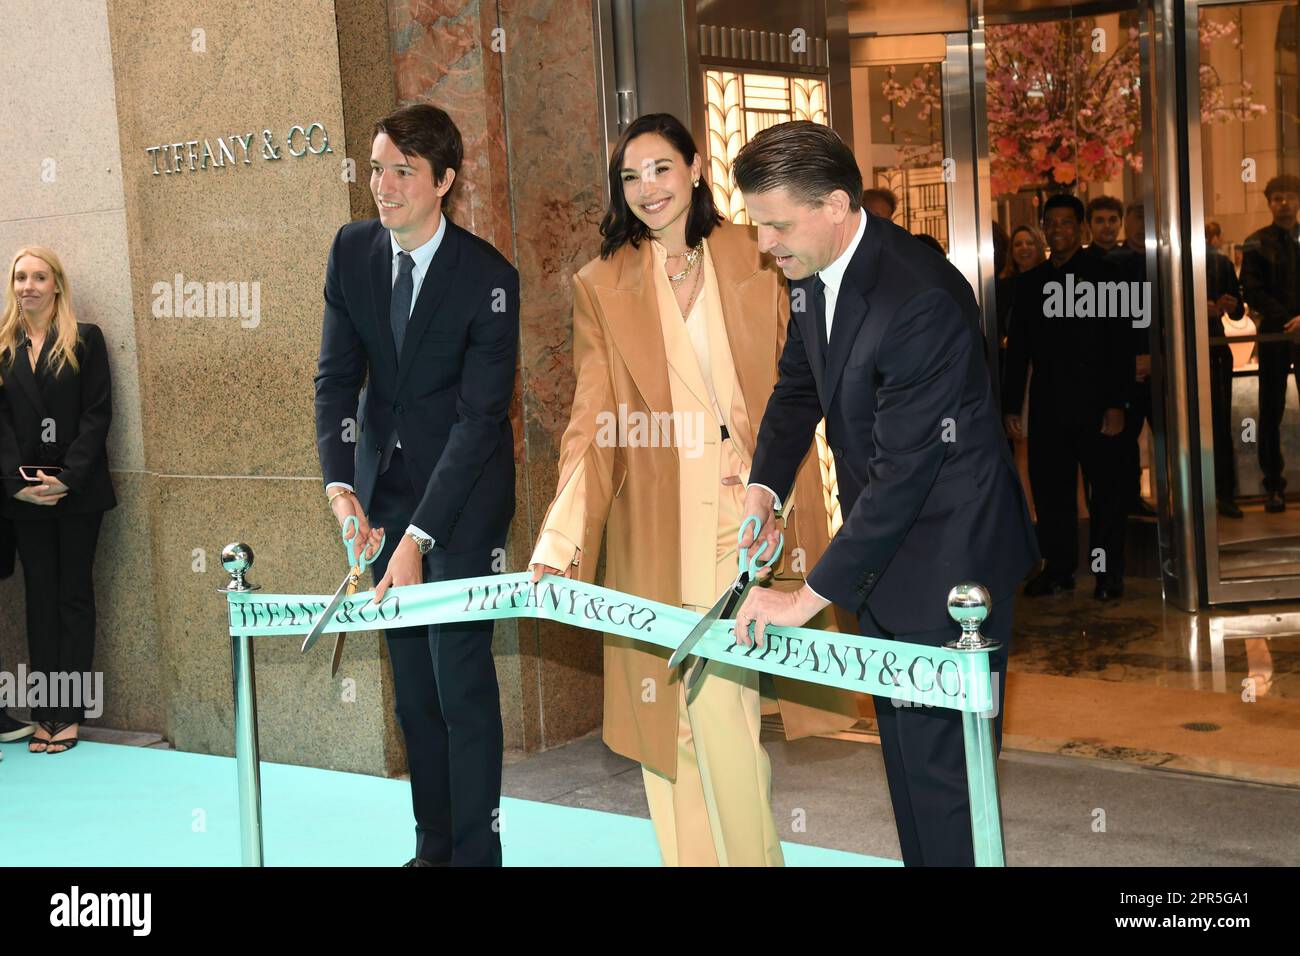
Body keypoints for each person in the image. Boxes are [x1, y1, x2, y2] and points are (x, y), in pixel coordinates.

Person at [529, 113, 856, 867]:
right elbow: (591, 423)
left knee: (720, 713)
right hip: (653, 530)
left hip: (743, 523)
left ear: (696, 168)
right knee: (665, 727)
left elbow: (808, 381)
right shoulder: (601, 285)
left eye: (662, 169)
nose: (648, 189)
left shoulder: (757, 252)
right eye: (631, 176)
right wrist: (560, 538)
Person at [729, 120, 1038, 867]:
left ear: (836, 204)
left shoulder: (918, 297)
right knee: (905, 760)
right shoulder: (813, 275)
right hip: (885, 557)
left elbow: (907, 472)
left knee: (947, 778)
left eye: (776, 224)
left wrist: (804, 599)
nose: (765, 243)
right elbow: (800, 387)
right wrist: (763, 489)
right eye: (758, 224)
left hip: (949, 563)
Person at [314, 104, 519, 866]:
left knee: (459, 684)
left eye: (403, 171)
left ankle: (476, 855)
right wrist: (344, 490)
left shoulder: (490, 278)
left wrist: (418, 538)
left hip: (461, 508)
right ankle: (433, 848)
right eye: (376, 167)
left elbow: (477, 421)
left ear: (444, 182)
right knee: (411, 694)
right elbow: (336, 383)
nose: (383, 185)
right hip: (385, 492)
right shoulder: (351, 251)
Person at [0, 246, 117, 754]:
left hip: (77, 495)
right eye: (20, 277)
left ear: (57, 285)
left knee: (73, 599)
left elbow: (98, 415)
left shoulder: (85, 340)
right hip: (22, 498)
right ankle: (43, 712)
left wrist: (66, 478)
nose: (28, 286)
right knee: (39, 603)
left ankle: (66, 715)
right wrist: (14, 482)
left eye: (38, 277)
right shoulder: (3, 347)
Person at [1003, 194, 1132, 601]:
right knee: (1051, 491)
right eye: (1051, 224)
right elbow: (1018, 351)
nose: (1058, 231)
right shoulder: (1030, 283)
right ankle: (1058, 569)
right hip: (1048, 402)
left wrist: (1117, 404)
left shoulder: (1108, 275)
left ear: (1081, 228)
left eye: (1066, 223)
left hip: (1098, 403)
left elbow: (1121, 346)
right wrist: (1010, 405)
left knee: (1106, 495)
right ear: (1045, 229)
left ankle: (1108, 574)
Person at [1240, 174, 1300, 512]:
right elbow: (1251, 289)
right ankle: (1272, 486)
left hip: (1292, 327)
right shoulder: (1256, 241)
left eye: (1290, 196)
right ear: (1269, 202)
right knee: (1270, 411)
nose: (1284, 202)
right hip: (1275, 333)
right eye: (1278, 197)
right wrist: (1289, 319)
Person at [1105, 203, 1157, 518]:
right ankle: (1129, 498)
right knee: (1126, 440)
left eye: (1148, 220)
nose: (1142, 226)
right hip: (1128, 366)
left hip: (1163, 364)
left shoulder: (1166, 261)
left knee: (1170, 436)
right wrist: (1130, 360)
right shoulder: (1112, 263)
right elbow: (1109, 323)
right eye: (1137, 219)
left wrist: (1159, 355)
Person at [1206, 238, 1246, 518]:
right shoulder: (1168, 261)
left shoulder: (1221, 264)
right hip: (1184, 349)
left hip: (1216, 348)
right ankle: (1203, 493)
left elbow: (1239, 309)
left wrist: (1230, 305)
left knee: (1220, 424)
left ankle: (1225, 492)